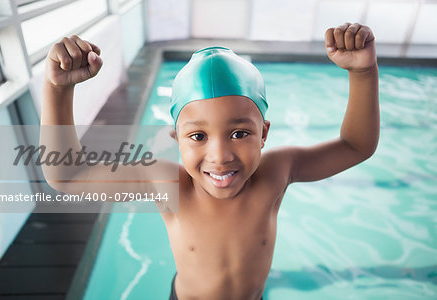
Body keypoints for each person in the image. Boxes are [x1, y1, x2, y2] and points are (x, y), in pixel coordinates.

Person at [41, 22, 379, 300]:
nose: (220, 157)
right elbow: (67, 176)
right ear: (176, 139)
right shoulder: (167, 184)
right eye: (199, 136)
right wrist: (58, 90)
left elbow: (355, 146)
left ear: (263, 133)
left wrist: (363, 73)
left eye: (239, 133)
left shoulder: (277, 170)